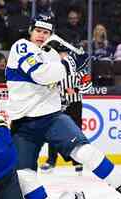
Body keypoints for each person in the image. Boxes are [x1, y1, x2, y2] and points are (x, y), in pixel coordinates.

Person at [5, 14, 121, 199]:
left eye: (46, 32)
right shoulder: (21, 47)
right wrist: (69, 63)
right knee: (23, 174)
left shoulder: (51, 54)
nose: (41, 35)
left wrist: (80, 69)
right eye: (38, 30)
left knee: (83, 151)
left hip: (52, 116)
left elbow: (82, 83)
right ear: (31, 31)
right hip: (23, 122)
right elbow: (41, 75)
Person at [40, 41, 86, 175]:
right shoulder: (53, 68)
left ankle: (77, 162)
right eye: (60, 54)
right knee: (54, 132)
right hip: (58, 104)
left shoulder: (78, 68)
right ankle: (51, 161)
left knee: (76, 132)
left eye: (63, 54)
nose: (62, 56)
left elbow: (87, 86)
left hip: (74, 104)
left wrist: (75, 89)